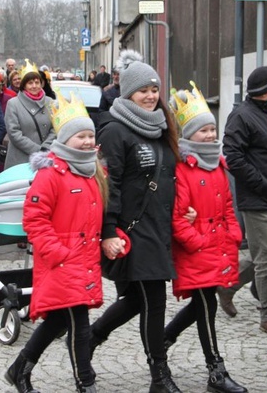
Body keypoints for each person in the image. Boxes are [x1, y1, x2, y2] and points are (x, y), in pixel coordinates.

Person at [89, 50, 183, 392]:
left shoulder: (160, 127)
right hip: (131, 231)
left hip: (159, 228)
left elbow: (172, 177)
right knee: (153, 301)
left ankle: (90, 338)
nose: (151, 96)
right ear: (128, 92)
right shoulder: (116, 131)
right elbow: (108, 184)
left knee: (138, 300)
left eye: (155, 89)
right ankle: (160, 375)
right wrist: (108, 230)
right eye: (143, 90)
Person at [5, 92, 106, 393]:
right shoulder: (51, 174)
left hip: (83, 261)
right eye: (80, 137)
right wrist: (57, 252)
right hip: (61, 260)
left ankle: (19, 368)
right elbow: (34, 218)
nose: (87, 142)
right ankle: (85, 381)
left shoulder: (92, 172)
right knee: (79, 323)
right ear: (64, 139)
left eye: (91, 136)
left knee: (60, 319)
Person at [164, 82, 247, 393]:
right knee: (206, 305)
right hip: (195, 252)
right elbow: (178, 218)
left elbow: (227, 205)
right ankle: (216, 371)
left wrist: (233, 233)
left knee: (202, 304)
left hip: (217, 247)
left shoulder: (218, 166)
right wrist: (198, 242)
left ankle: (162, 341)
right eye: (203, 131)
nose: (210, 136)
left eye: (212, 129)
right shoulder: (183, 169)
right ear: (188, 135)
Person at [222, 65, 267, 338]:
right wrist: (263, 185)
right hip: (257, 199)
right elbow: (234, 158)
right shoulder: (241, 116)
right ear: (264, 91)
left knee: (266, 253)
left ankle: (226, 286)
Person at [4, 69, 56, 169]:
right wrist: (38, 149)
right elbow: (14, 133)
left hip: (47, 157)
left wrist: (46, 147)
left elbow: (56, 128)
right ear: (24, 85)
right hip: (20, 159)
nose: (34, 86)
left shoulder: (50, 102)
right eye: (30, 83)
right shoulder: (13, 104)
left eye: (37, 82)